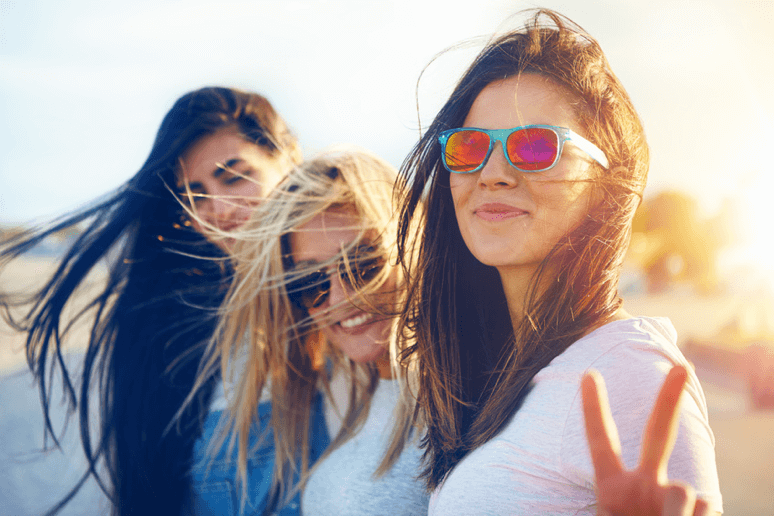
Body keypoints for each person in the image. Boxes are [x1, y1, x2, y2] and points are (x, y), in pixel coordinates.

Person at [393, 8, 722, 515]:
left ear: (604, 184)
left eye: (534, 146)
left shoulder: (630, 373)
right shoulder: (501, 371)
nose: (493, 172)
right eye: (469, 147)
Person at [0, 86, 329, 516]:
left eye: (234, 176)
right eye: (196, 195)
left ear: (287, 158)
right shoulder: (189, 326)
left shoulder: (352, 291)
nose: (219, 208)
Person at [194, 148, 429, 515]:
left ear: (412, 243)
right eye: (310, 281)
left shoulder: (464, 401)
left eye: (362, 263)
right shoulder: (350, 397)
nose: (339, 298)